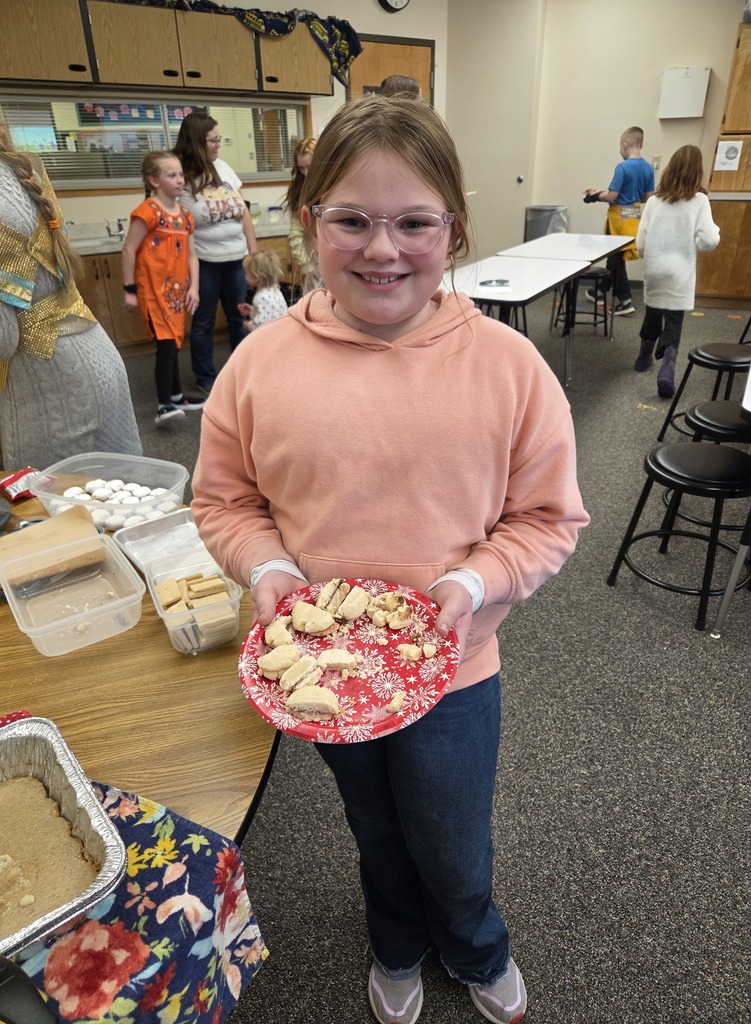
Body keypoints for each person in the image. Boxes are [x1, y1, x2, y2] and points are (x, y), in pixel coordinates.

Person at [191, 95, 588, 1024]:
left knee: (453, 835)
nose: (383, 250)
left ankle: (475, 943)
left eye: (414, 223)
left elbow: (547, 517)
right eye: (352, 222)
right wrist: (266, 568)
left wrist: (474, 580)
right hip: (326, 671)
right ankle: (397, 940)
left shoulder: (508, 367)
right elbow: (224, 501)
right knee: (373, 826)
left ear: (454, 229)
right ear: (310, 222)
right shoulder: (258, 366)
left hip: (456, 669)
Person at [0, 121, 141, 470]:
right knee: (126, 485)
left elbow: (4, 337)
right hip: (94, 354)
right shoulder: (23, 167)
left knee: (57, 500)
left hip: (51, 386)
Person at [174, 111, 258, 395]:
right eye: (213, 140)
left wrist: (253, 252)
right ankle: (206, 378)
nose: (218, 144)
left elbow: (243, 212)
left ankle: (242, 374)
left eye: (219, 139)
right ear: (197, 142)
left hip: (237, 260)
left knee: (240, 318)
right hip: (205, 264)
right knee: (203, 323)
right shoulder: (182, 178)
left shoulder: (224, 168)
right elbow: (178, 227)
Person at [122, 151, 202, 428]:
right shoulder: (147, 212)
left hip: (176, 294)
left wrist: (195, 288)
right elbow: (129, 250)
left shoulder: (185, 216)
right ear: (154, 181)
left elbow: (192, 256)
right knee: (166, 345)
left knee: (175, 342)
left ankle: (177, 396)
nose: (180, 180)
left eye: (180, 174)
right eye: (172, 175)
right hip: (153, 293)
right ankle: (163, 405)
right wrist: (129, 289)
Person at [634, 145, 720, 398]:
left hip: (655, 268)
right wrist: (696, 244)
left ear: (670, 169)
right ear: (697, 172)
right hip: (680, 272)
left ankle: (643, 357)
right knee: (673, 320)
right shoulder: (699, 201)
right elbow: (710, 240)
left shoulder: (653, 202)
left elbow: (640, 244)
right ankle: (667, 369)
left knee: (652, 314)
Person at [583, 125, 655, 315]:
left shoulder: (622, 167)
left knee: (616, 259)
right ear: (641, 145)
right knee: (614, 257)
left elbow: (612, 196)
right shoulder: (648, 168)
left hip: (617, 220)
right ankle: (601, 290)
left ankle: (625, 300)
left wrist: (594, 196)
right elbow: (648, 197)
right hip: (634, 219)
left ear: (624, 144)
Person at [283, 137, 323, 295]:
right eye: (301, 168)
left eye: (309, 167)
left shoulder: (333, 184)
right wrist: (306, 265)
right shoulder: (298, 189)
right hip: (312, 262)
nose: (306, 173)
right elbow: (296, 233)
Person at [238, 250, 288, 331]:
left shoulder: (261, 297)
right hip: (281, 332)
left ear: (256, 276)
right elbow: (269, 313)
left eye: (246, 273)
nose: (244, 276)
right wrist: (252, 311)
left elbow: (260, 326)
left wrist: (248, 325)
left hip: (270, 335)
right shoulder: (276, 291)